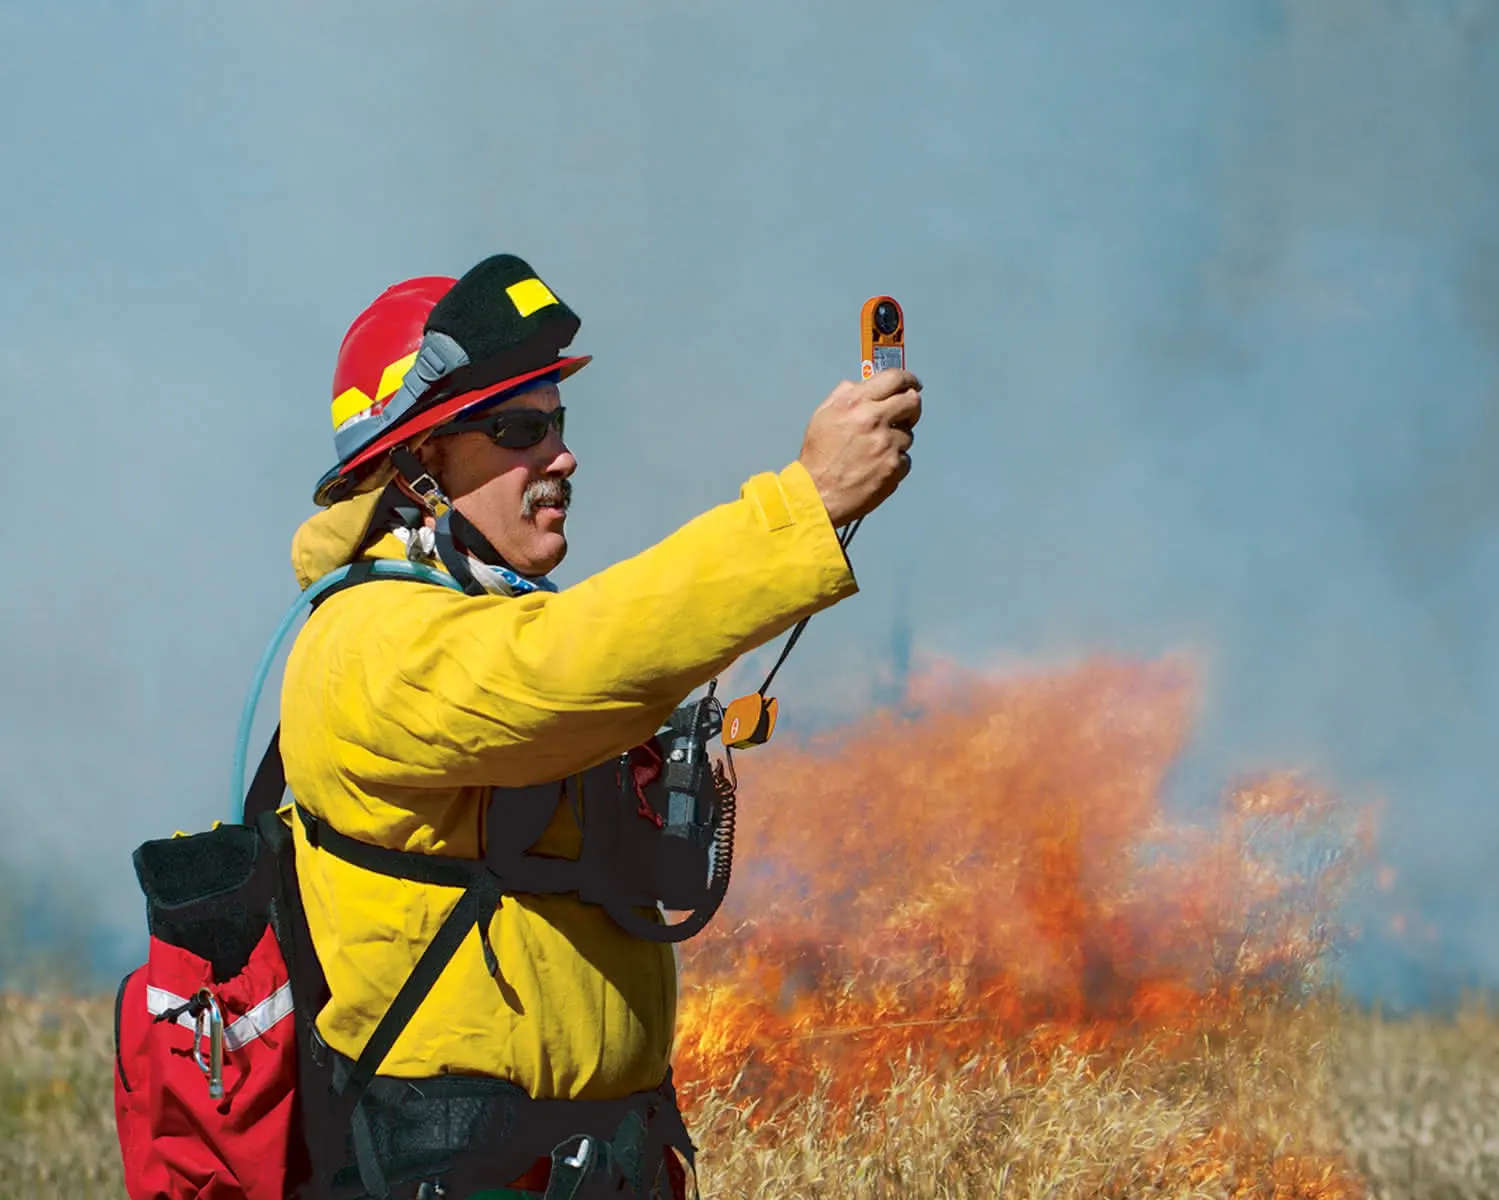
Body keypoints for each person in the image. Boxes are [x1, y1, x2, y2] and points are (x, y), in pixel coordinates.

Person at [280, 253, 921, 1198]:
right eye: (518, 429)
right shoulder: (365, 641)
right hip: (464, 1169)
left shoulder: (479, 617)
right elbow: (568, 664)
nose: (561, 456)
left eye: (557, 422)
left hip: (590, 1155)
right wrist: (804, 507)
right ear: (415, 467)